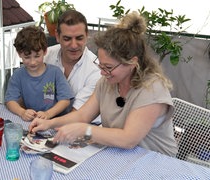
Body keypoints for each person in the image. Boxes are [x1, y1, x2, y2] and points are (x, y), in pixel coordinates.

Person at [29, 11, 178, 156]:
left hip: (158, 162)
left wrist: (85, 130)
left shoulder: (152, 89)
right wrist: (50, 123)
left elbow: (128, 139)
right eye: (100, 65)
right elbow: (82, 116)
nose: (102, 72)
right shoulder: (107, 82)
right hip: (120, 154)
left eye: (108, 67)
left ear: (132, 62)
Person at [5, 26, 74, 121]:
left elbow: (65, 100)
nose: (33, 62)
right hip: (30, 121)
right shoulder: (18, 75)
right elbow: (10, 101)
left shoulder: (55, 72)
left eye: (37, 56)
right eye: (27, 57)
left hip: (54, 120)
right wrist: (22, 112)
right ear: (19, 53)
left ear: (45, 51)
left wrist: (48, 114)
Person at [43, 10, 101, 120]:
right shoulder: (45, 57)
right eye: (67, 39)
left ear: (87, 35)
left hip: (83, 128)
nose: (74, 45)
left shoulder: (96, 70)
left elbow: (77, 116)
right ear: (57, 36)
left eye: (79, 38)